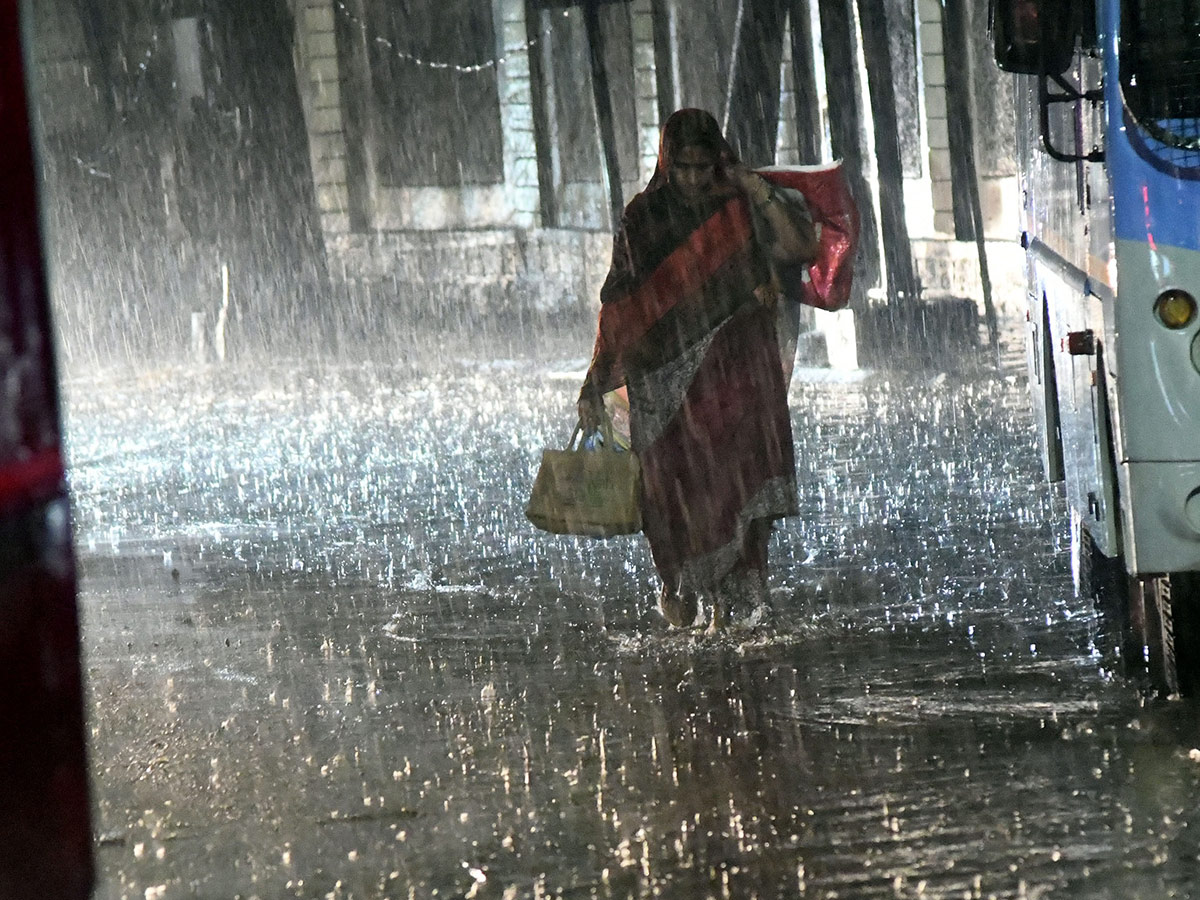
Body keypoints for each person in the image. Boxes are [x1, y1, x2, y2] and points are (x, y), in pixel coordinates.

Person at [577, 108, 819, 631]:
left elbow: (803, 246)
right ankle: (678, 590)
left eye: (701, 167)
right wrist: (594, 383)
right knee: (668, 494)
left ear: (717, 163)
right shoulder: (644, 218)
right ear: (666, 162)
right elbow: (619, 303)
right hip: (660, 381)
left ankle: (730, 614)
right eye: (682, 168)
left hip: (732, 372)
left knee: (732, 483)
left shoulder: (738, 206)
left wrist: (753, 189)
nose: (691, 179)